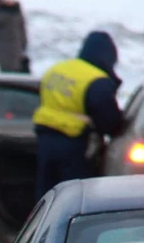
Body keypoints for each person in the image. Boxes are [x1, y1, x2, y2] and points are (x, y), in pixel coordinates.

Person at [32, 30, 124, 202]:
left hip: (44, 138)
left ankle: (42, 226)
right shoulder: (96, 80)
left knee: (46, 192)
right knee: (72, 196)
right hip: (73, 144)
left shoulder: (58, 69)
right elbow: (109, 121)